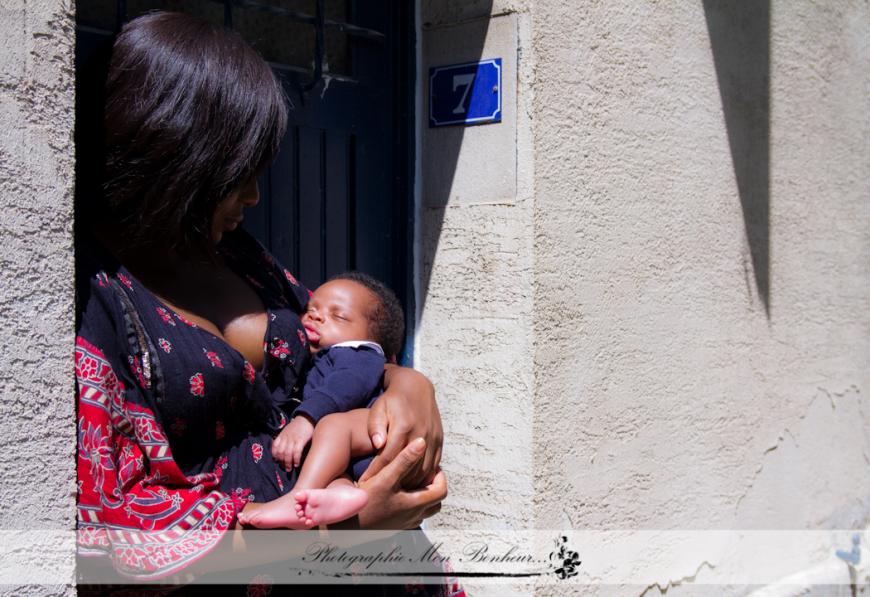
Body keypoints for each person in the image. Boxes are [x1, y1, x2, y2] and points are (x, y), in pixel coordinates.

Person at [74, 11, 457, 593]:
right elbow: (104, 535)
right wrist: (337, 533)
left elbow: (344, 344)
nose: (254, 193)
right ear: (173, 153)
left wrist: (408, 383)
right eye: (237, 172)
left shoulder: (234, 252)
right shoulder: (89, 295)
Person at [239, 272, 406, 529]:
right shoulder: (317, 360)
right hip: (353, 457)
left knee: (331, 426)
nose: (315, 316)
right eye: (310, 309)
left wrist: (306, 419)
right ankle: (340, 493)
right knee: (334, 470)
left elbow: (346, 385)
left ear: (372, 339)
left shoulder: (359, 354)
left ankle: (296, 500)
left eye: (338, 316)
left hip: (372, 435)